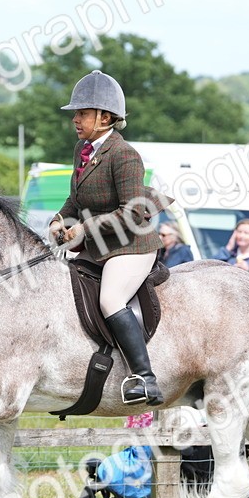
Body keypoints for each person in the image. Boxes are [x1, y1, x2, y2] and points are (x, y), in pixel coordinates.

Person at [47, 70, 174, 406]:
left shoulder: (125, 155)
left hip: (131, 246)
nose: (75, 119)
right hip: (99, 249)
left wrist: (86, 228)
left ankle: (145, 379)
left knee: (110, 300)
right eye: (76, 113)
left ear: (105, 118)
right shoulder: (82, 149)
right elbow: (75, 201)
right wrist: (58, 220)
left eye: (82, 113)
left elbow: (132, 213)